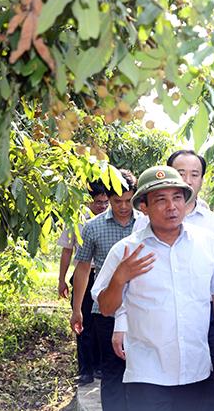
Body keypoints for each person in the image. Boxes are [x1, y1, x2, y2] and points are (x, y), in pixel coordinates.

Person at [92, 165, 214, 411]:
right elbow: (106, 308)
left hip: (197, 370)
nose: (171, 207)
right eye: (161, 200)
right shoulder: (126, 250)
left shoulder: (208, 244)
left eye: (177, 197)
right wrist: (120, 278)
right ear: (143, 206)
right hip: (148, 376)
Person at [70, 169, 140, 411]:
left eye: (128, 200)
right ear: (108, 199)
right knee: (112, 370)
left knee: (140, 370)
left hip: (140, 310)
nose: (124, 207)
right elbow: (82, 269)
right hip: (105, 309)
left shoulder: (146, 224)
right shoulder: (92, 227)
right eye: (117, 201)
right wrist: (77, 309)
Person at [167, 150, 214, 410]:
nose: (188, 181)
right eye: (181, 173)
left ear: (202, 179)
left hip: (205, 320)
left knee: (205, 393)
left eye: (195, 174)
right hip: (161, 320)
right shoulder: (144, 221)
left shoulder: (212, 223)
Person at [57, 181, 108, 385]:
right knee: (82, 321)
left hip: (105, 276)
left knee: (102, 323)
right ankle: (85, 370)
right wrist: (61, 279)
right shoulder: (76, 219)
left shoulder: (113, 218)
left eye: (105, 202)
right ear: (88, 200)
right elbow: (67, 250)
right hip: (82, 275)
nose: (102, 206)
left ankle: (101, 366)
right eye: (98, 202)